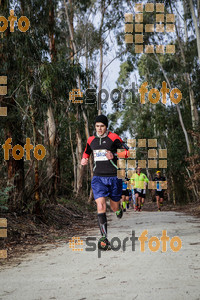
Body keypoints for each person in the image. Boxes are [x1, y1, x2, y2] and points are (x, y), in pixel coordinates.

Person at [81, 114, 129, 250]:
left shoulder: (114, 137)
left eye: (102, 126)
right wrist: (84, 159)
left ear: (106, 126)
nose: (99, 129)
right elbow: (86, 152)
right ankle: (104, 238)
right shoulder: (91, 140)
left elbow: (127, 152)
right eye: (97, 126)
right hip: (98, 178)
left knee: (114, 207)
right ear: (95, 127)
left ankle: (118, 209)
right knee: (101, 205)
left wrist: (113, 155)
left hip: (114, 177)